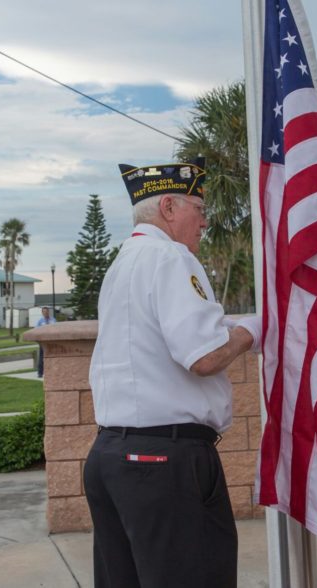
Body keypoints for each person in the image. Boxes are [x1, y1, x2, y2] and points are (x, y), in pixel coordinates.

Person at [83, 158, 261, 588]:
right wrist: (250, 331)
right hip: (165, 460)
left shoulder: (123, 262)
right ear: (168, 208)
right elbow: (204, 358)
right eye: (199, 210)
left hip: (111, 455)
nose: (204, 223)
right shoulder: (170, 257)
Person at [35, 306, 56, 377]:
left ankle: (52, 372)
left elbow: (56, 329)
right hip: (43, 342)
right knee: (42, 357)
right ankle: (40, 373)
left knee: (52, 357)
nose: (46, 313)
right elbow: (36, 331)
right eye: (44, 312)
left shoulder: (53, 320)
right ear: (42, 313)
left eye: (47, 311)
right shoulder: (40, 321)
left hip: (52, 342)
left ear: (48, 312)